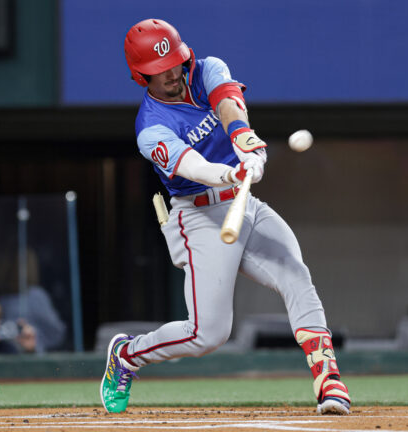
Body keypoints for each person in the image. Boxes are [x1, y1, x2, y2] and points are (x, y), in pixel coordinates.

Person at [100, 19, 350, 416]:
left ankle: (328, 379)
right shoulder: (150, 126)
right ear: (140, 74)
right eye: (157, 70)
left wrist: (245, 142)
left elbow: (228, 103)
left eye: (175, 63)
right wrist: (229, 172)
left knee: (295, 272)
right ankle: (128, 354)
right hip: (198, 215)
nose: (170, 74)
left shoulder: (207, 69)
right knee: (208, 334)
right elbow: (191, 165)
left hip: (243, 202)